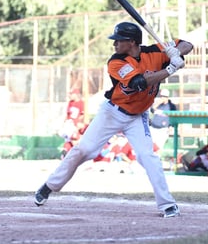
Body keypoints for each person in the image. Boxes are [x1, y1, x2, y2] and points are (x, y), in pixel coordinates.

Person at [34, 21, 194, 218]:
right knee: (83, 150)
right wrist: (170, 69)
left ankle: (168, 205)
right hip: (112, 113)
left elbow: (187, 44)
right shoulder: (116, 62)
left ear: (132, 42)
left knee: (148, 157)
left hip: (138, 116)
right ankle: (50, 186)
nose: (114, 44)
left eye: (119, 40)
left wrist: (175, 52)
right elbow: (139, 83)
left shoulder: (155, 51)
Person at [58, 88, 86, 159]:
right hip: (69, 124)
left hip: (75, 124)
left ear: (75, 94)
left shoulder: (81, 103)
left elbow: (82, 114)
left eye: (71, 94)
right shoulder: (70, 103)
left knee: (74, 138)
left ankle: (70, 153)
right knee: (69, 138)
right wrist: (64, 123)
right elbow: (67, 114)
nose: (70, 96)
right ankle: (66, 152)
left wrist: (77, 122)